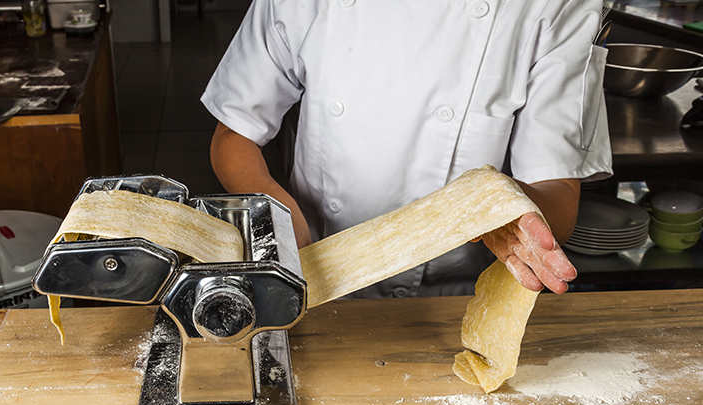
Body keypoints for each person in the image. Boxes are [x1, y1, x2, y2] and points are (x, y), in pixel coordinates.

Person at [201, 0, 613, 297]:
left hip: (456, 301)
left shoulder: (560, 6)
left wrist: (503, 209)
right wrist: (280, 215)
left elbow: (558, 195)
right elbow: (233, 135)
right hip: (316, 278)